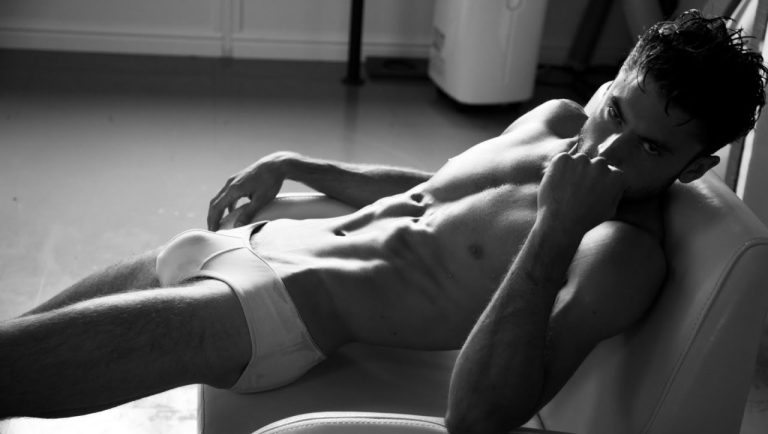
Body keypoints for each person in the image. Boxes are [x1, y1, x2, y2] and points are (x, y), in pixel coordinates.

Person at [1, 9, 765, 433]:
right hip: (254, 247)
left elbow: (478, 417)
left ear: (694, 167)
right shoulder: (557, 118)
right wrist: (300, 164)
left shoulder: (622, 253)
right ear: (612, 82)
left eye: (650, 148)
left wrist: (555, 229)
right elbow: (436, 192)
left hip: (281, 315)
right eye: (616, 112)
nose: (606, 150)